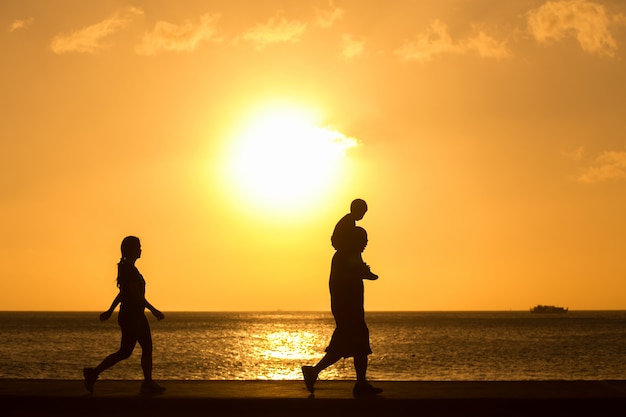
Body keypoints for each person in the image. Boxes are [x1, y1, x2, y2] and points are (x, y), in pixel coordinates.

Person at [302, 226, 382, 396]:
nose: (365, 244)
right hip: (347, 309)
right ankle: (316, 372)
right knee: (348, 345)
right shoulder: (342, 256)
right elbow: (344, 279)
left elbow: (358, 273)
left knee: (351, 346)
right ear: (353, 240)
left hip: (352, 308)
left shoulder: (351, 256)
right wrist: (363, 274)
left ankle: (358, 383)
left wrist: (364, 273)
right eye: (362, 240)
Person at [83, 236, 165, 394]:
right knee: (125, 352)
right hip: (130, 317)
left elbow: (122, 294)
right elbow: (136, 296)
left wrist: (110, 310)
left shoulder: (129, 268)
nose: (141, 249)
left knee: (147, 348)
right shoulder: (128, 269)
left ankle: (148, 382)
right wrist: (154, 310)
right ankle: (92, 373)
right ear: (132, 249)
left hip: (137, 316)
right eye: (138, 247)